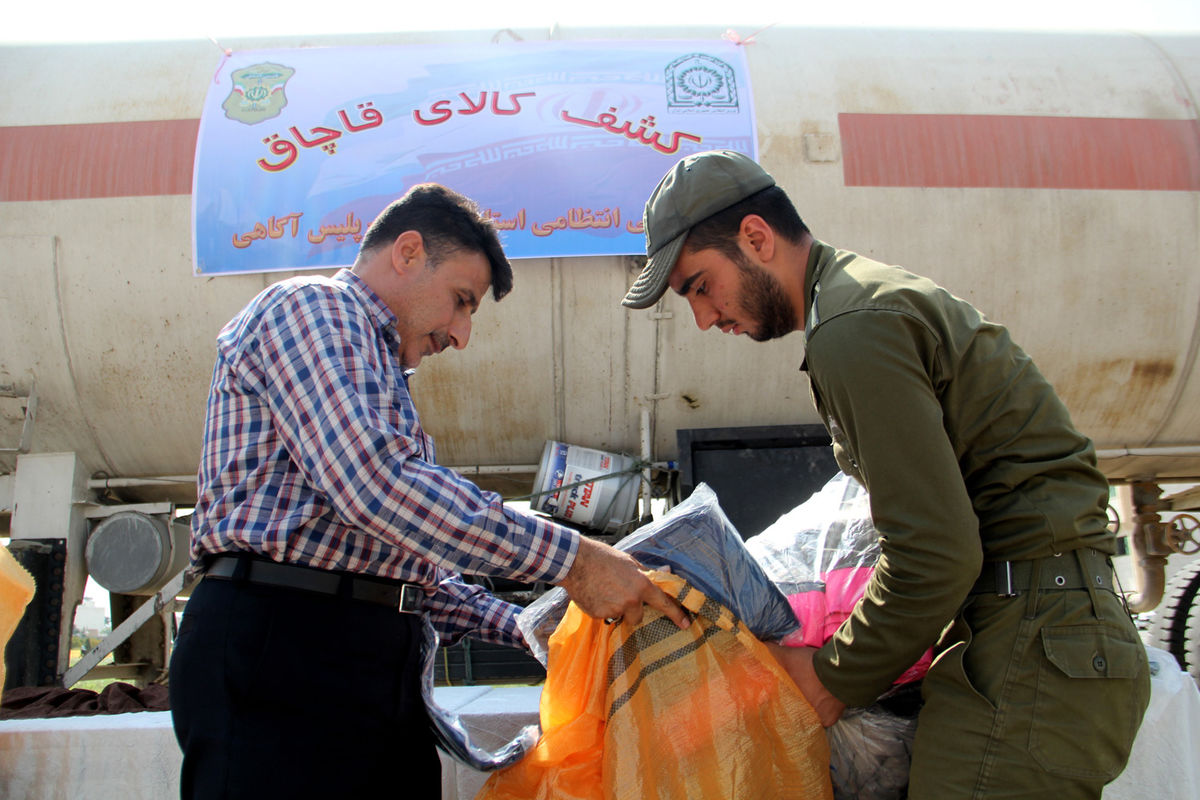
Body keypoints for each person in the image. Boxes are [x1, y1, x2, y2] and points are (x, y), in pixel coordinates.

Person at [621, 150, 1150, 798]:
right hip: (1032, 623)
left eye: (699, 285)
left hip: (1035, 629)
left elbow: (936, 553)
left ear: (756, 238)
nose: (704, 317)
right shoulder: (856, 305)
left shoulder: (852, 330)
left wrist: (831, 677)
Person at [170, 183, 688, 800]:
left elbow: (409, 578)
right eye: (461, 301)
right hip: (284, 649)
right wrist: (575, 561)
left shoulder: (380, 373)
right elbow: (375, 485)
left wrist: (534, 627)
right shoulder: (313, 309)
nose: (462, 334)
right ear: (409, 252)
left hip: (364, 659)